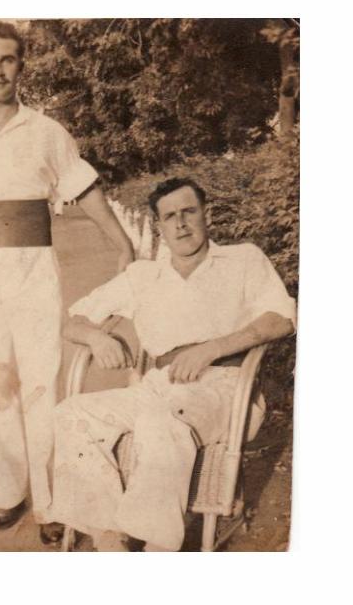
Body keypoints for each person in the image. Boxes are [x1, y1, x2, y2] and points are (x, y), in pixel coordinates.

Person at [0, 20, 134, 540]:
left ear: (21, 65)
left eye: (8, 59)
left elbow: (84, 189)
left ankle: (53, 503)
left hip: (34, 270)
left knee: (42, 383)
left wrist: (122, 243)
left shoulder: (47, 131)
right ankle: (4, 494)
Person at [51, 177, 296, 551]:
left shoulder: (243, 259)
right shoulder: (142, 275)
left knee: (160, 420)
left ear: (206, 214)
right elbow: (74, 321)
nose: (180, 224)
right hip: (157, 386)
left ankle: (158, 547)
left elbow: (282, 319)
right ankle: (108, 537)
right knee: (70, 413)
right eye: (170, 217)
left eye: (189, 212)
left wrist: (212, 348)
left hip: (224, 384)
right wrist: (97, 337)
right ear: (158, 226)